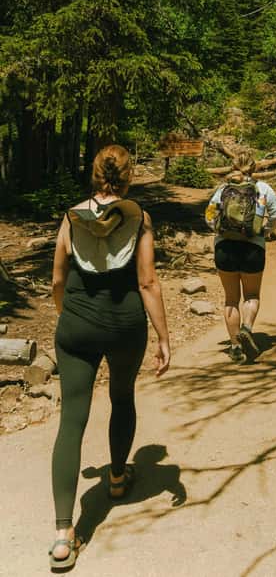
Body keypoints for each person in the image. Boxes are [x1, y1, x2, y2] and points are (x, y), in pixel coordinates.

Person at [48, 145, 170, 571]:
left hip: (77, 326)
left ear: (95, 174)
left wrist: (68, 316)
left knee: (71, 422)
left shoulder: (70, 217)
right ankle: (118, 478)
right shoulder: (140, 219)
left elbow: (59, 276)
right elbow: (148, 281)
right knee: (121, 397)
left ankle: (64, 537)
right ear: (128, 176)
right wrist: (164, 337)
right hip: (124, 327)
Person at [205, 152, 276, 363]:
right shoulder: (263, 188)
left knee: (231, 299)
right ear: (253, 168)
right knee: (251, 296)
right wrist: (265, 230)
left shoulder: (223, 189)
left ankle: (235, 347)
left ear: (233, 166)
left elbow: (209, 216)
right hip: (252, 249)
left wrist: (220, 230)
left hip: (225, 248)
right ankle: (247, 328)